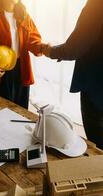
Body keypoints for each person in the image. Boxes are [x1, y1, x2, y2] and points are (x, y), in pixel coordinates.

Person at [43, 0, 103, 149]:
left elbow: (73, 48)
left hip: (97, 88)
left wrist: (49, 51)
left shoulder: (97, 5)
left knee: (97, 144)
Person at [0, 0, 47, 109]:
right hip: (2, 72)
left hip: (23, 68)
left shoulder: (24, 16)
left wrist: (42, 47)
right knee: (5, 110)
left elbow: (33, 41)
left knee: (22, 109)